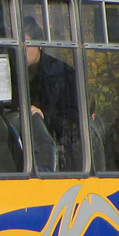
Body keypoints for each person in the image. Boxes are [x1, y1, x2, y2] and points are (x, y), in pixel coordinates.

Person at [23, 17, 80, 164]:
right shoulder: (8, 73)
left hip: (58, 155)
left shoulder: (61, 74)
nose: (20, 52)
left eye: (26, 45)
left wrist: (44, 116)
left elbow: (75, 122)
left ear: (39, 44)